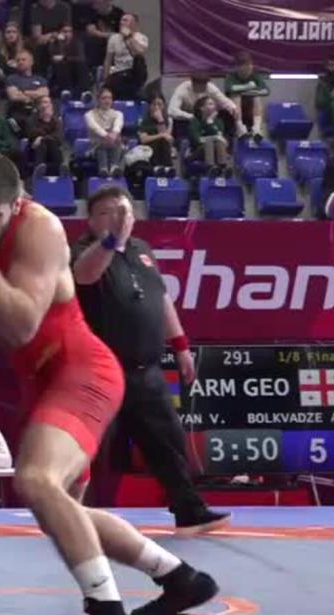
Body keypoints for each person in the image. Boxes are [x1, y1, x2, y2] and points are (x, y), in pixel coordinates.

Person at [0, 154, 220, 615]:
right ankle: (179, 577)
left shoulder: (40, 229)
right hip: (41, 383)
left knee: (37, 481)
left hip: (81, 371)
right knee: (62, 511)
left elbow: (21, 326)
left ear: (16, 204)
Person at [65, 185, 231, 535]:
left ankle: (189, 511)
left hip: (146, 370)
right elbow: (84, 275)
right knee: (84, 445)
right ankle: (63, 511)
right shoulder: (84, 250)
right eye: (107, 212)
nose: (118, 218)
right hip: (100, 372)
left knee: (168, 441)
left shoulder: (142, 250)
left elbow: (161, 298)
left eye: (123, 211)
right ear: (91, 220)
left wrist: (181, 345)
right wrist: (111, 241)